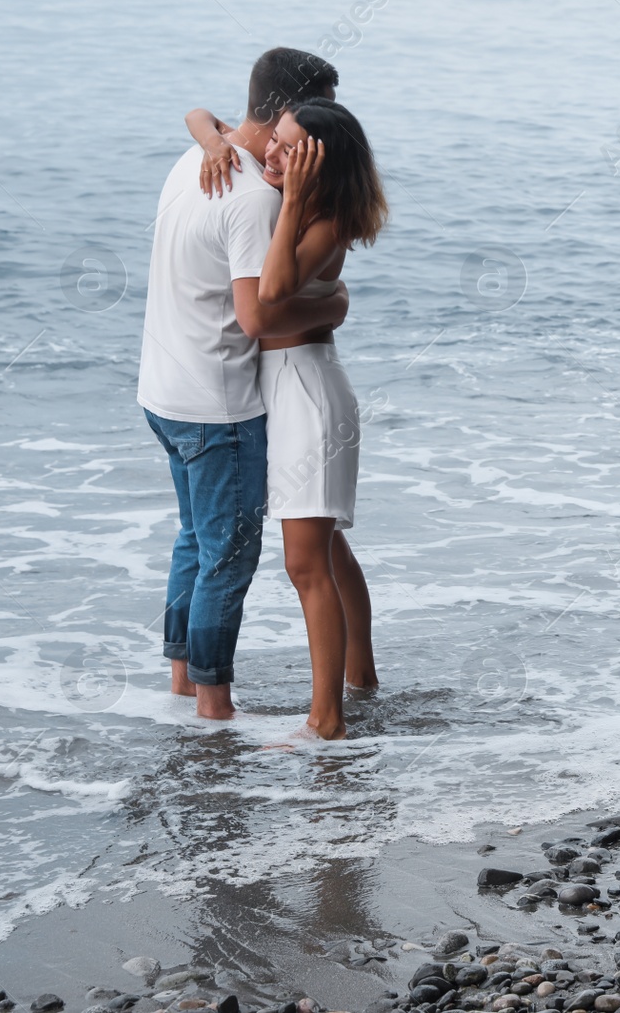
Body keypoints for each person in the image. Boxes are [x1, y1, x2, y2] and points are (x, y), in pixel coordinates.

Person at [138, 48, 345, 722]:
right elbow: (257, 317)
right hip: (215, 402)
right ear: (288, 114)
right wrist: (333, 306)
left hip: (162, 387)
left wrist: (203, 131)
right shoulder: (255, 195)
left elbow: (198, 116)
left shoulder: (196, 159)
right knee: (227, 556)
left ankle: (180, 684)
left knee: (195, 540)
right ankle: (212, 708)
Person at [186, 97, 388, 740]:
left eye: (288, 148)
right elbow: (201, 115)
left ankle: (327, 719)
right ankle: (362, 678)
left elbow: (269, 296)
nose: (270, 153)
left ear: (317, 165)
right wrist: (216, 145)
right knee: (328, 548)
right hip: (293, 386)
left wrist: (294, 201)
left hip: (307, 394)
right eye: (274, 138)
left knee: (305, 564)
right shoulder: (291, 193)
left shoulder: (324, 219)